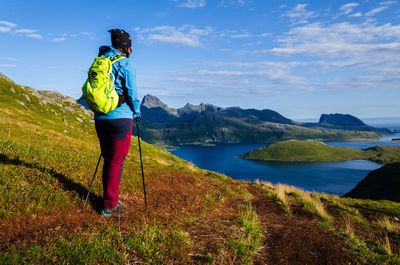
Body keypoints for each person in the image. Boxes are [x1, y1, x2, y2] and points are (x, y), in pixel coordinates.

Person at [94, 29, 141, 217]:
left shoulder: (101, 61)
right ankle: (110, 206)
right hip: (120, 119)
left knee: (109, 160)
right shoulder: (125, 64)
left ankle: (109, 198)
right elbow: (132, 93)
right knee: (116, 162)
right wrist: (136, 111)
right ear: (127, 47)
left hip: (100, 117)